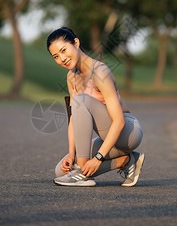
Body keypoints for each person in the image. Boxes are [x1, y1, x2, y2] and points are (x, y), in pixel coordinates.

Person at [46, 27, 144, 187]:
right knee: (61, 171)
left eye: (64, 50)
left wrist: (98, 158)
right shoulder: (71, 77)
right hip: (107, 136)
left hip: (128, 132)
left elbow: (119, 121)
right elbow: (73, 120)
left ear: (76, 43)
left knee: (81, 100)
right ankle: (126, 161)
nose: (62, 58)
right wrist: (71, 154)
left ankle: (81, 174)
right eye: (56, 56)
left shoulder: (100, 72)